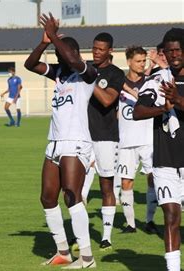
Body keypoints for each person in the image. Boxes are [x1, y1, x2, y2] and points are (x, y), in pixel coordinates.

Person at [24, 13, 97, 269]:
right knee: (47, 198)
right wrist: (45, 41)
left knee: (72, 195)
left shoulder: (87, 74)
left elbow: (72, 59)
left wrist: (55, 36)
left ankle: (86, 257)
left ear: (74, 52)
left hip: (75, 141)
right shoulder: (58, 74)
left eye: (61, 52)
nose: (58, 57)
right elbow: (30, 64)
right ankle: (63, 252)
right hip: (54, 142)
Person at [133, 27, 184, 271]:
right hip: (164, 162)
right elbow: (137, 111)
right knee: (171, 217)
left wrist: (178, 101)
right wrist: (162, 108)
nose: (174, 55)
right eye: (170, 50)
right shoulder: (157, 79)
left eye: (178, 50)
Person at [87, 32, 125, 251]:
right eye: (94, 48)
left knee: (106, 186)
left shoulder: (115, 74)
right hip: (82, 137)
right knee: (74, 188)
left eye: (101, 49)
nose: (96, 52)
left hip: (106, 137)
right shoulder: (85, 69)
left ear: (110, 50)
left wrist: (88, 79)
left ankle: (106, 236)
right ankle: (79, 234)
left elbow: (108, 100)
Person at [117, 46, 158, 236]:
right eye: (139, 61)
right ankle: (130, 224)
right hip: (126, 141)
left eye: (144, 61)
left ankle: (150, 221)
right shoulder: (118, 83)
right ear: (129, 62)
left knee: (152, 180)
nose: (142, 64)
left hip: (148, 139)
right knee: (126, 182)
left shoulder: (151, 83)